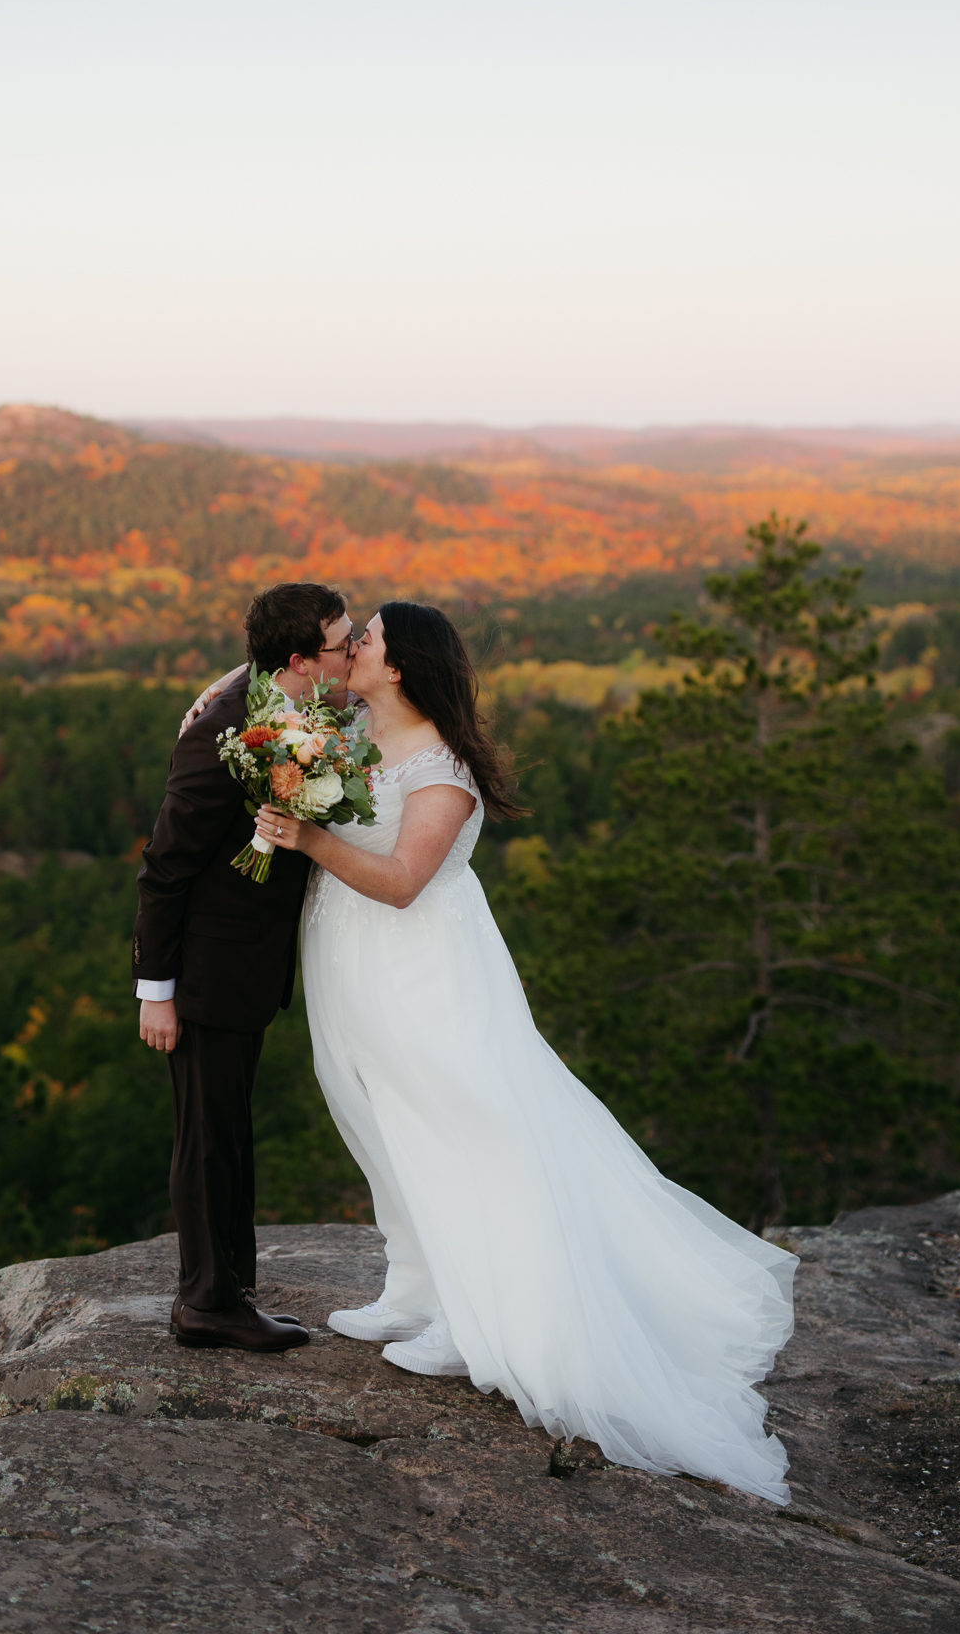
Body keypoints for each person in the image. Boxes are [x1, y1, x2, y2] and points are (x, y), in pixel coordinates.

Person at [251, 599, 798, 1504]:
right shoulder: (341, 732)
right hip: (345, 962)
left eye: (371, 638)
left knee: (454, 1125)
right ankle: (413, 1283)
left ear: (400, 665)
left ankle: (472, 1321)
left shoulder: (441, 768)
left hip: (421, 971)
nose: (355, 646)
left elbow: (399, 881)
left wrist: (307, 834)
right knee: (371, 1116)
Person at [132, 580, 356, 1352]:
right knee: (205, 1136)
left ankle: (232, 1284)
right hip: (205, 973)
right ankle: (204, 1304)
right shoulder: (218, 734)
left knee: (229, 1129)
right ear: (301, 659)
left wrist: (232, 674)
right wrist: (155, 992)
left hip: (248, 968)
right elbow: (162, 868)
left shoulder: (277, 697)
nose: (353, 650)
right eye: (342, 642)